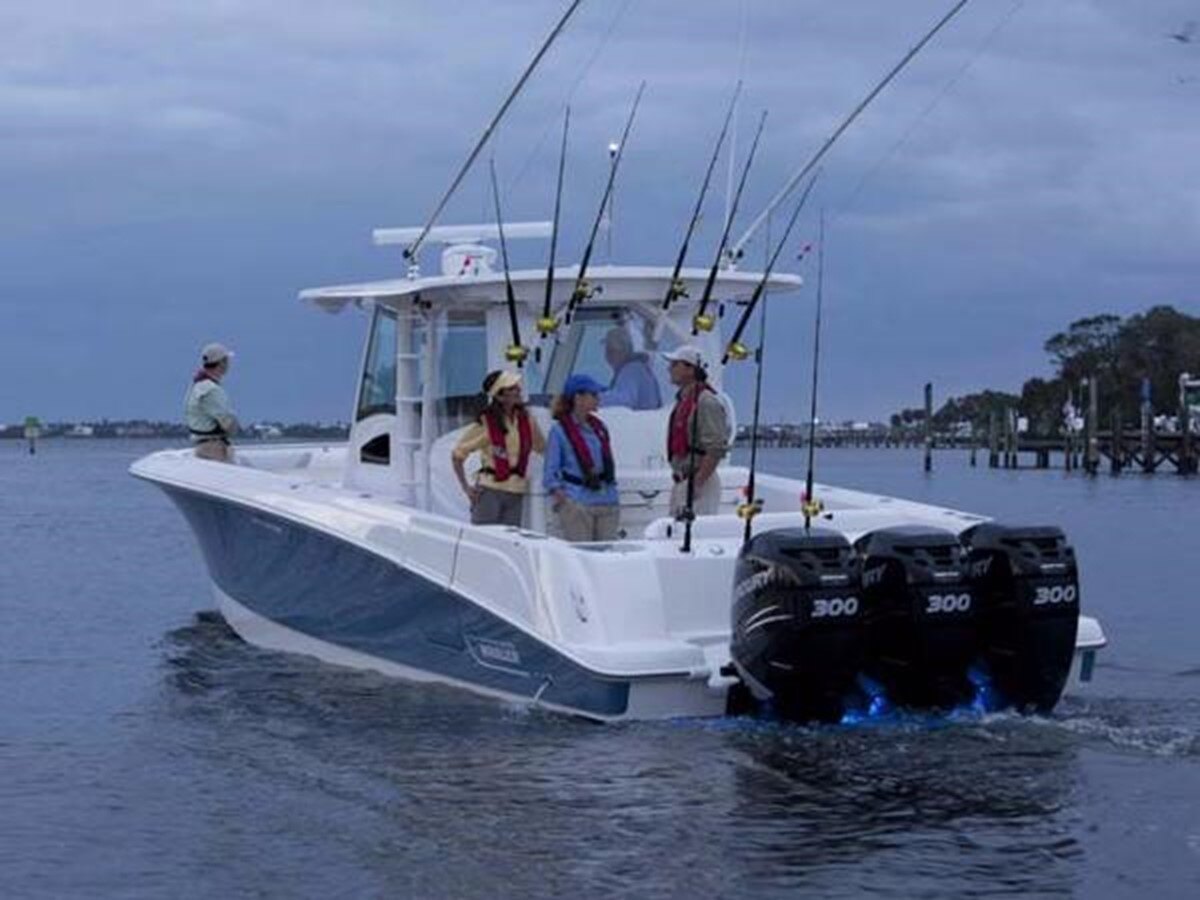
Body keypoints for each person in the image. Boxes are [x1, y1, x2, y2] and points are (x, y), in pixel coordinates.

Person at [452, 370, 545, 527]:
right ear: (500, 396)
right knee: (483, 540)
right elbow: (457, 455)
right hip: (490, 490)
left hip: (516, 491)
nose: (518, 390)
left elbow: (542, 447)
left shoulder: (527, 420)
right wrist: (466, 488)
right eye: (512, 388)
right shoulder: (486, 423)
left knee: (510, 542)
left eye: (517, 387)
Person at [544, 374, 621, 542]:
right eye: (593, 395)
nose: (597, 399)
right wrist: (565, 500)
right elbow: (550, 472)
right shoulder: (559, 431)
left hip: (607, 500)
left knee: (607, 555)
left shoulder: (600, 428)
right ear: (578, 398)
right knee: (581, 555)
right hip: (578, 502)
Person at [663, 345, 729, 518]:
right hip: (684, 480)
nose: (669, 369)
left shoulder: (706, 402)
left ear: (691, 369)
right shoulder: (685, 400)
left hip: (699, 482)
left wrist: (697, 483)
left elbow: (715, 447)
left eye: (675, 364)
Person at [186, 342, 239, 462]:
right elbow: (228, 424)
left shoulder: (196, 385)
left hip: (202, 446)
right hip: (214, 449)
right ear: (222, 363)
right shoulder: (212, 390)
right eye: (227, 360)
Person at [602, 325, 661, 410]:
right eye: (607, 350)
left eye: (612, 350)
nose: (608, 355)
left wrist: (595, 398)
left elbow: (625, 401)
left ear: (624, 350)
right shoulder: (636, 369)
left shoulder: (632, 370)